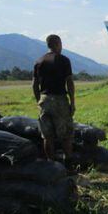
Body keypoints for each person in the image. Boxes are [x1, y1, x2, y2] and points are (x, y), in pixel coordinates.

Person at [32, 34, 75, 164]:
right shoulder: (64, 60)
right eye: (60, 44)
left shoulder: (39, 61)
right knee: (66, 136)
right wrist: (72, 102)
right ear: (57, 44)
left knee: (47, 136)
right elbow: (69, 82)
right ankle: (68, 164)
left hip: (45, 99)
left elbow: (34, 84)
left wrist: (39, 100)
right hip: (60, 100)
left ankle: (51, 164)